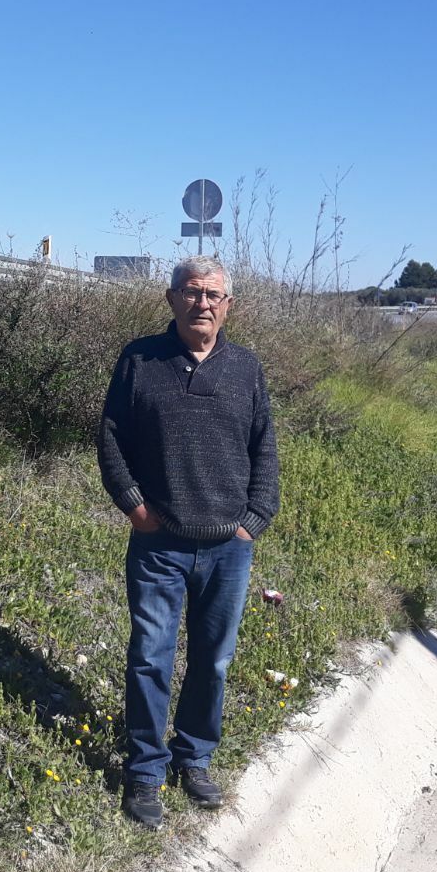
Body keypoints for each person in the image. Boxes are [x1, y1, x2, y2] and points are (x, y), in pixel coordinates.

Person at [97, 254, 279, 830]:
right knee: (150, 658)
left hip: (230, 546)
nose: (203, 303)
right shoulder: (139, 359)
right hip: (159, 543)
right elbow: (110, 438)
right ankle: (146, 771)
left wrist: (256, 517)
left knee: (213, 661)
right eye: (193, 292)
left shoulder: (245, 368)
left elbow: (264, 448)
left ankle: (194, 758)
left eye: (214, 295)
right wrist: (135, 506)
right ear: (172, 298)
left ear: (228, 305)